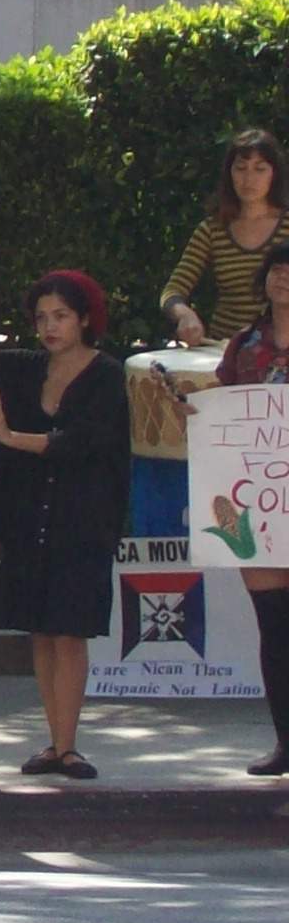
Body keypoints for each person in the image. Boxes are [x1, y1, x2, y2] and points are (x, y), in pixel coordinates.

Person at [0, 271, 130, 785]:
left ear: (85, 318)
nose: (49, 326)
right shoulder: (24, 368)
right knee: (40, 631)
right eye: (41, 318)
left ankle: (69, 746)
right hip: (29, 519)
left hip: (82, 520)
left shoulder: (108, 374)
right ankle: (54, 741)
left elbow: (81, 442)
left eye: (61, 316)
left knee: (70, 631)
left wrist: (9, 436)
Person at [163, 244, 289, 777]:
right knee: (275, 628)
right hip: (261, 508)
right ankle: (286, 741)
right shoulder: (246, 345)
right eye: (277, 270)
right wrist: (194, 410)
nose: (284, 279)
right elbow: (226, 403)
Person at [160, 128, 287, 347]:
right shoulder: (212, 229)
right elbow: (173, 291)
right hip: (226, 352)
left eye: (259, 169)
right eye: (240, 168)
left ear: (274, 174)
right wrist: (184, 315)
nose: (249, 179)